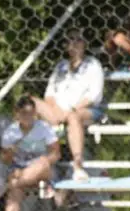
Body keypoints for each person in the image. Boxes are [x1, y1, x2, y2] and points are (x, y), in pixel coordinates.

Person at [31, 29, 104, 182]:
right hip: (58, 111)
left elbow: (94, 96)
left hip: (84, 109)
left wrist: (70, 110)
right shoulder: (60, 67)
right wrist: (55, 110)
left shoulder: (93, 65)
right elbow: (49, 94)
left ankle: (78, 166)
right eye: (70, 40)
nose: (74, 44)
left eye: (78, 40)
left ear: (84, 43)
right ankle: (28, 157)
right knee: (29, 102)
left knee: (73, 117)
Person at [0, 96, 60, 211]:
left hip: (43, 170)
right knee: (15, 190)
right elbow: (6, 160)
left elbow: (56, 154)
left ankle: (6, 186)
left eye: (31, 113)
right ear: (17, 113)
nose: (28, 117)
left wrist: (43, 160)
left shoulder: (44, 128)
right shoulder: (11, 132)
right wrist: (10, 152)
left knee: (40, 164)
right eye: (24, 113)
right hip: (20, 172)